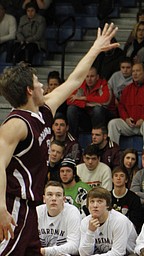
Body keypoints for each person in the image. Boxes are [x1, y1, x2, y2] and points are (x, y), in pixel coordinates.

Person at [0, 22, 119, 255]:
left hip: (30, 207)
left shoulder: (43, 112)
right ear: (28, 90)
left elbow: (74, 81)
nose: (42, 84)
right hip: (14, 204)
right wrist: (0, 208)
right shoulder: (15, 125)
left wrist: (95, 48)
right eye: (37, 81)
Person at [108, 62, 144, 149]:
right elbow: (121, 106)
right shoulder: (127, 89)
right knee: (113, 123)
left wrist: (143, 118)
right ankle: (113, 152)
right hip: (130, 125)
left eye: (138, 71)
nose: (135, 73)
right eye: (133, 71)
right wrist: (126, 118)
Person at [79, 187, 137, 255]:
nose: (95, 205)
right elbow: (83, 253)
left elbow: (118, 253)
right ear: (88, 206)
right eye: (92, 201)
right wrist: (90, 232)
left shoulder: (119, 221)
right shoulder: (85, 222)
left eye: (99, 201)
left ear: (107, 205)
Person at [66, 66, 116, 138]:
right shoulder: (81, 85)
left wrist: (84, 98)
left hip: (105, 118)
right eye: (87, 76)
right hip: (88, 118)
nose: (89, 79)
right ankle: (73, 140)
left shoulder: (104, 85)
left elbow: (105, 101)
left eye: (92, 76)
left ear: (97, 77)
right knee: (71, 109)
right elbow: (69, 101)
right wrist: (86, 104)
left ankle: (98, 139)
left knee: (97, 109)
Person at [37, 180, 81, 256]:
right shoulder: (37, 211)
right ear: (44, 199)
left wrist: (45, 251)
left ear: (64, 199)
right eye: (50, 194)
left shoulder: (72, 212)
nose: (54, 198)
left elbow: (74, 246)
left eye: (58, 195)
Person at [111, 166, 144, 233]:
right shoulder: (107, 197)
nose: (118, 178)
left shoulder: (134, 198)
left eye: (122, 176)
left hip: (128, 231)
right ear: (112, 179)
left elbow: (135, 223)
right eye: (116, 176)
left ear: (126, 180)